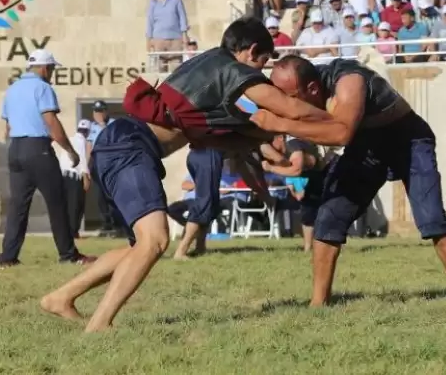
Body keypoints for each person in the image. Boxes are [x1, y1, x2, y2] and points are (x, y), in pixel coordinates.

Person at [40, 17, 334, 333]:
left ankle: (61, 297)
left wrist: (263, 138)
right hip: (129, 145)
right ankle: (98, 326)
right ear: (250, 51)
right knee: (155, 241)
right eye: (263, 63)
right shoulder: (232, 69)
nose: (261, 73)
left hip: (121, 145)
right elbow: (289, 109)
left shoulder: (212, 66)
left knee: (139, 247)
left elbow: (223, 139)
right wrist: (335, 121)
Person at [250, 55, 446, 310]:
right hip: (366, 147)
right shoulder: (308, 89)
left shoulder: (349, 82)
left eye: (287, 98)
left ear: (312, 89)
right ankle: (318, 304)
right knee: (328, 218)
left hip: (408, 142)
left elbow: (341, 134)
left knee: (432, 219)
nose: (282, 105)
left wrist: (281, 124)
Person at [0, 50, 95, 268]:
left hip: (15, 149)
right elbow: (51, 123)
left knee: (18, 207)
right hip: (38, 150)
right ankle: (68, 255)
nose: (52, 73)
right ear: (44, 68)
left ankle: (7, 258)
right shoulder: (43, 88)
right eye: (52, 69)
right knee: (57, 203)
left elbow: (8, 126)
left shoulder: (12, 89)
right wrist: (70, 150)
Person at [262, 136, 326, 252]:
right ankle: (308, 248)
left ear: (280, 138)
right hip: (314, 176)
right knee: (308, 214)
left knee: (326, 211)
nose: (272, 148)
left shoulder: (292, 144)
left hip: (323, 172)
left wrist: (271, 168)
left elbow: (296, 170)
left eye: (271, 143)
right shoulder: (287, 151)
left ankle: (325, 245)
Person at [172, 147, 225, 260]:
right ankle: (180, 252)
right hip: (208, 152)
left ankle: (200, 247)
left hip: (203, 152)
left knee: (211, 203)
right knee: (204, 204)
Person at [86, 100, 116, 235]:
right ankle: (107, 224)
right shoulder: (92, 126)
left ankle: (118, 224)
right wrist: (86, 165)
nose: (97, 115)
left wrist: (103, 125)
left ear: (106, 112)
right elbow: (89, 145)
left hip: (111, 164)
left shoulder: (113, 124)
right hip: (97, 165)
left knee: (113, 195)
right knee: (101, 196)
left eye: (100, 111)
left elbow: (113, 140)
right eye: (95, 112)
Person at [58, 119, 91, 239]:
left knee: (67, 205)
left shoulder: (70, 139)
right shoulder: (82, 141)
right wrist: (86, 177)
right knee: (76, 205)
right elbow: (82, 159)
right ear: (87, 132)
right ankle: (73, 232)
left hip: (63, 176)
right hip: (74, 177)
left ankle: (68, 232)